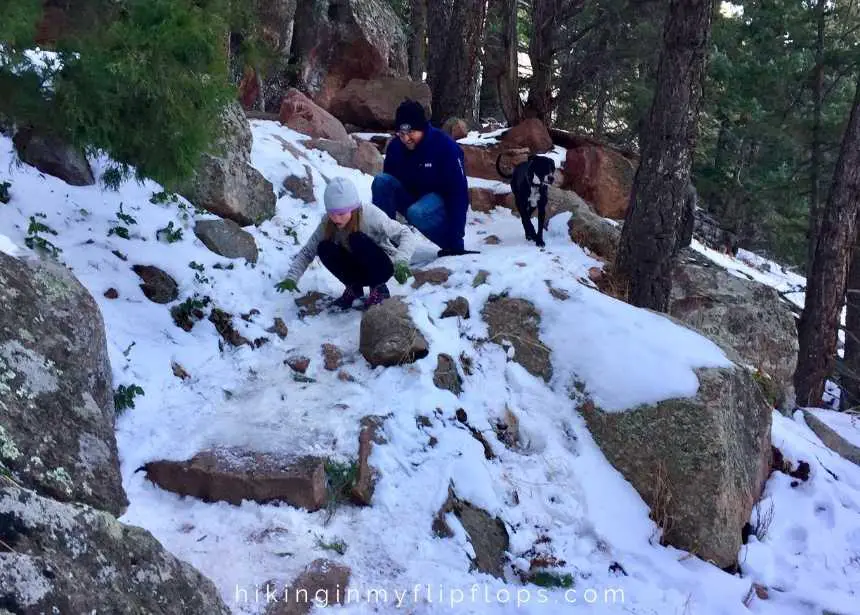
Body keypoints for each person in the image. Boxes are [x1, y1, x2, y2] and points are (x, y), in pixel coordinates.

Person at [275, 177, 417, 309]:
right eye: (332, 213)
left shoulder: (369, 214)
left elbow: (405, 233)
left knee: (356, 239)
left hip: (382, 266)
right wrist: (292, 278)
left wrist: (401, 261)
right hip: (357, 268)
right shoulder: (328, 222)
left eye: (341, 213)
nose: (336, 219)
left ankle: (379, 289)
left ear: (353, 209)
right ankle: (354, 288)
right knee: (324, 247)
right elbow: (308, 251)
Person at [372, 99, 470, 255]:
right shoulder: (395, 147)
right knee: (381, 182)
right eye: (401, 133)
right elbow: (389, 189)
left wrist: (457, 240)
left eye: (411, 133)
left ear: (422, 128)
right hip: (412, 198)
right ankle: (384, 245)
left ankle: (450, 244)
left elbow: (458, 194)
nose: (406, 138)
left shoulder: (445, 147)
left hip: (438, 203)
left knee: (417, 212)